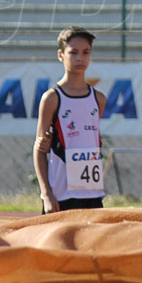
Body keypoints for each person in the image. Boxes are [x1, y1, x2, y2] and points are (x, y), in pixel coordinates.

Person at [34, 26, 107, 213]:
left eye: (85, 52)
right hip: (62, 194)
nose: (80, 58)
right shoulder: (52, 98)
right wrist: (47, 194)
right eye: (73, 52)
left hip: (92, 193)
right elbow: (40, 148)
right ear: (61, 55)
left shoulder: (98, 99)